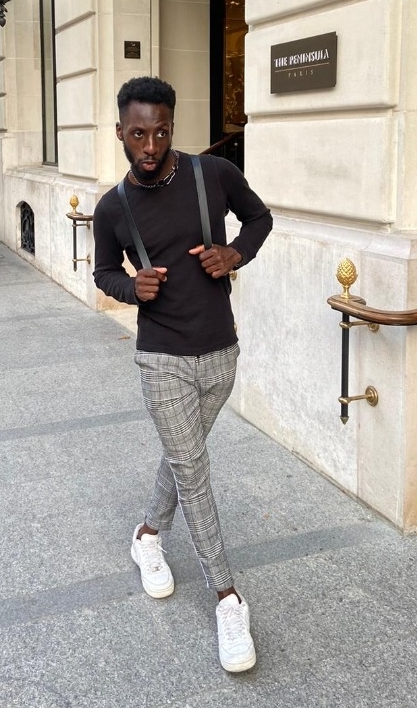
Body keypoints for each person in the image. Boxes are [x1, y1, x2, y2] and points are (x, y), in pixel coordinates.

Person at [93, 76, 272, 673]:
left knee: (182, 458)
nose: (150, 146)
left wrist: (235, 253)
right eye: (138, 134)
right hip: (161, 356)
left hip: (220, 352)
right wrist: (132, 287)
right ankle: (228, 597)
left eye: (161, 132)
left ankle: (148, 534)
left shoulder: (212, 174)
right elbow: (103, 271)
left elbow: (259, 218)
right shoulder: (112, 208)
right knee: (194, 472)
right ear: (120, 132)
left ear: (173, 127)